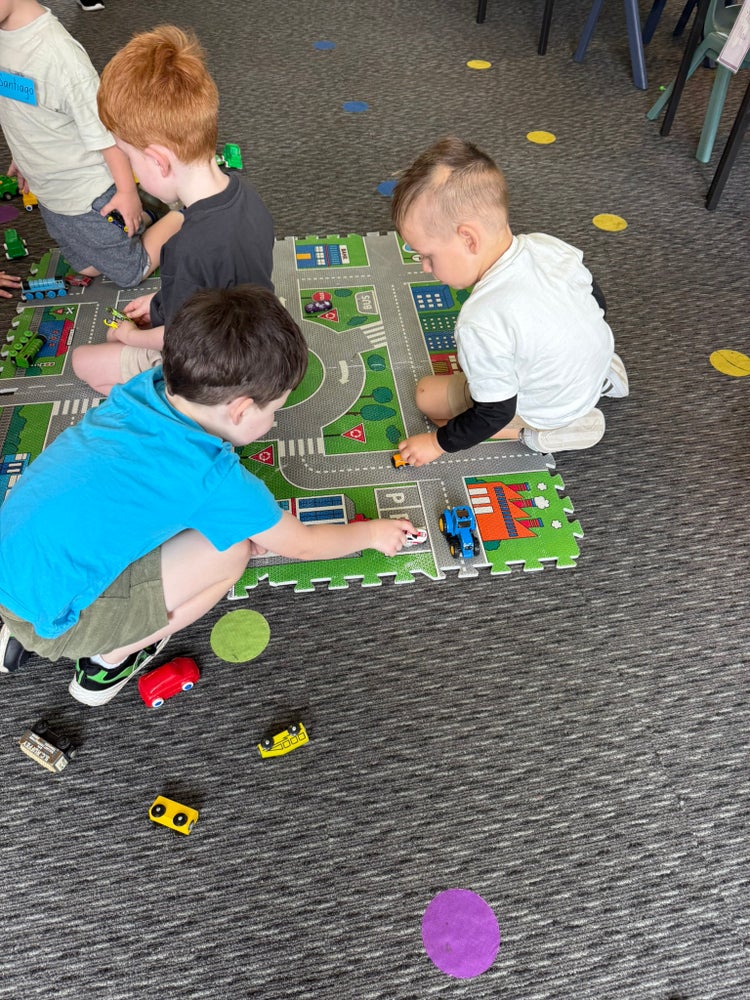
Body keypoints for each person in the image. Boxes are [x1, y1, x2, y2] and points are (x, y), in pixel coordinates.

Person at [0, 285, 416, 706]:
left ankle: (20, 626)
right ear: (239, 409)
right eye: (273, 411)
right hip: (59, 620)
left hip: (11, 568)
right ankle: (107, 662)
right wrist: (373, 534)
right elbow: (304, 546)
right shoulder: (212, 478)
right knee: (233, 551)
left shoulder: (147, 385)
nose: (273, 425)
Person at [391, 137, 628, 465]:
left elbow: (495, 413)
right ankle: (598, 375)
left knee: (427, 398)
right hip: (591, 359)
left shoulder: (479, 321)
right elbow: (596, 301)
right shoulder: (547, 245)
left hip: (547, 406)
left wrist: (436, 444)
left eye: (427, 256)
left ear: (469, 239)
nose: (425, 267)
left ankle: (555, 430)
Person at [71, 25, 276, 397]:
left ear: (158, 161)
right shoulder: (247, 194)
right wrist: (158, 301)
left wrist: (132, 335)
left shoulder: (186, 248)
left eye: (131, 161)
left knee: (83, 361)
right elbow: (222, 281)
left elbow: (178, 338)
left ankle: (179, 411)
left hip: (217, 364)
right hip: (259, 338)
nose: (131, 174)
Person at [0, 1, 181, 289]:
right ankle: (146, 215)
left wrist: (126, 192)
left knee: (129, 272)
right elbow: (18, 106)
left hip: (88, 193)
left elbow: (107, 133)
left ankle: (184, 215)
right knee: (86, 266)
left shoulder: (60, 56)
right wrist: (21, 155)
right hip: (50, 191)